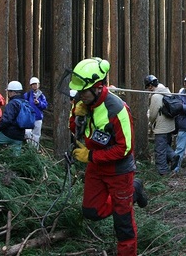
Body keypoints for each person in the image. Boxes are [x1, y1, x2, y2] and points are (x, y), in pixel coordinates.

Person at [68, 57, 147, 256]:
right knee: (91, 211)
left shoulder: (117, 109)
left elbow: (125, 148)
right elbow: (78, 132)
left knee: (123, 223)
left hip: (119, 171)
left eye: (83, 92)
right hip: (96, 167)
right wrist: (76, 116)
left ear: (97, 87)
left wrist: (92, 155)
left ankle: (132, 192)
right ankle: (133, 193)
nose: (79, 95)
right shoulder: (86, 103)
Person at [146, 75, 180, 176]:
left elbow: (152, 114)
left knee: (159, 149)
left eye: (148, 87)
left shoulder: (156, 96)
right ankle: (172, 157)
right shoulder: (167, 92)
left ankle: (163, 171)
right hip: (170, 125)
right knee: (165, 145)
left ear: (151, 86)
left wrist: (150, 123)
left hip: (161, 126)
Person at [0, 81, 26, 155]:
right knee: (16, 156)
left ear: (13, 92)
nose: (8, 94)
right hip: (20, 135)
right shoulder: (24, 102)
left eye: (9, 91)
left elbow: (7, 120)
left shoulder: (12, 103)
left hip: (9, 133)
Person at [24, 77, 48, 144]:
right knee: (27, 133)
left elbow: (45, 106)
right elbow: (23, 104)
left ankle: (34, 150)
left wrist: (39, 103)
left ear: (39, 85)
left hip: (38, 118)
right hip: (29, 118)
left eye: (36, 84)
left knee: (36, 135)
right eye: (33, 84)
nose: (35, 85)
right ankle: (29, 148)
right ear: (31, 85)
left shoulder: (41, 96)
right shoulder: (27, 95)